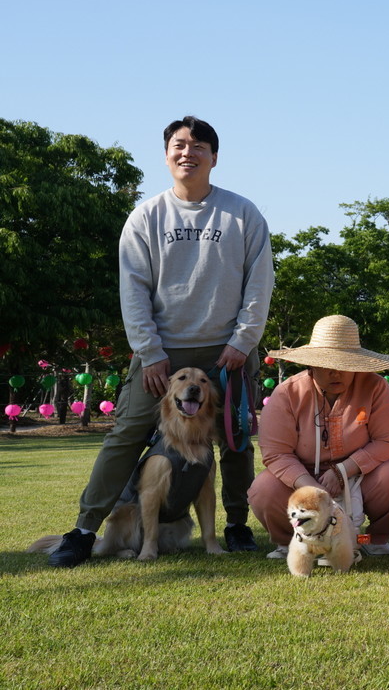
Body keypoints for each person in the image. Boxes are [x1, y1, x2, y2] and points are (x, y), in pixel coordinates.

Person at [48, 117, 273, 567]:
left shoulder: (242, 214)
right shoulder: (147, 216)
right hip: (162, 354)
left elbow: (259, 283)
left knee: (236, 438)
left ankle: (235, 526)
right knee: (126, 433)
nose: (188, 152)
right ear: (167, 153)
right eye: (179, 145)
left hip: (227, 350)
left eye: (199, 146)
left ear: (214, 156)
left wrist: (243, 342)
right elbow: (132, 290)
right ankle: (85, 529)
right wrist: (150, 354)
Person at [249, 315, 389, 557]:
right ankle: (290, 542)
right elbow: (276, 453)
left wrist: (344, 470)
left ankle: (373, 539)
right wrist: (312, 490)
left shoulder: (376, 387)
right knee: (264, 487)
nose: (336, 373)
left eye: (345, 364)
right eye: (327, 364)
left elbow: (388, 441)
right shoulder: (287, 393)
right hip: (301, 475)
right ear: (311, 365)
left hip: (359, 475)